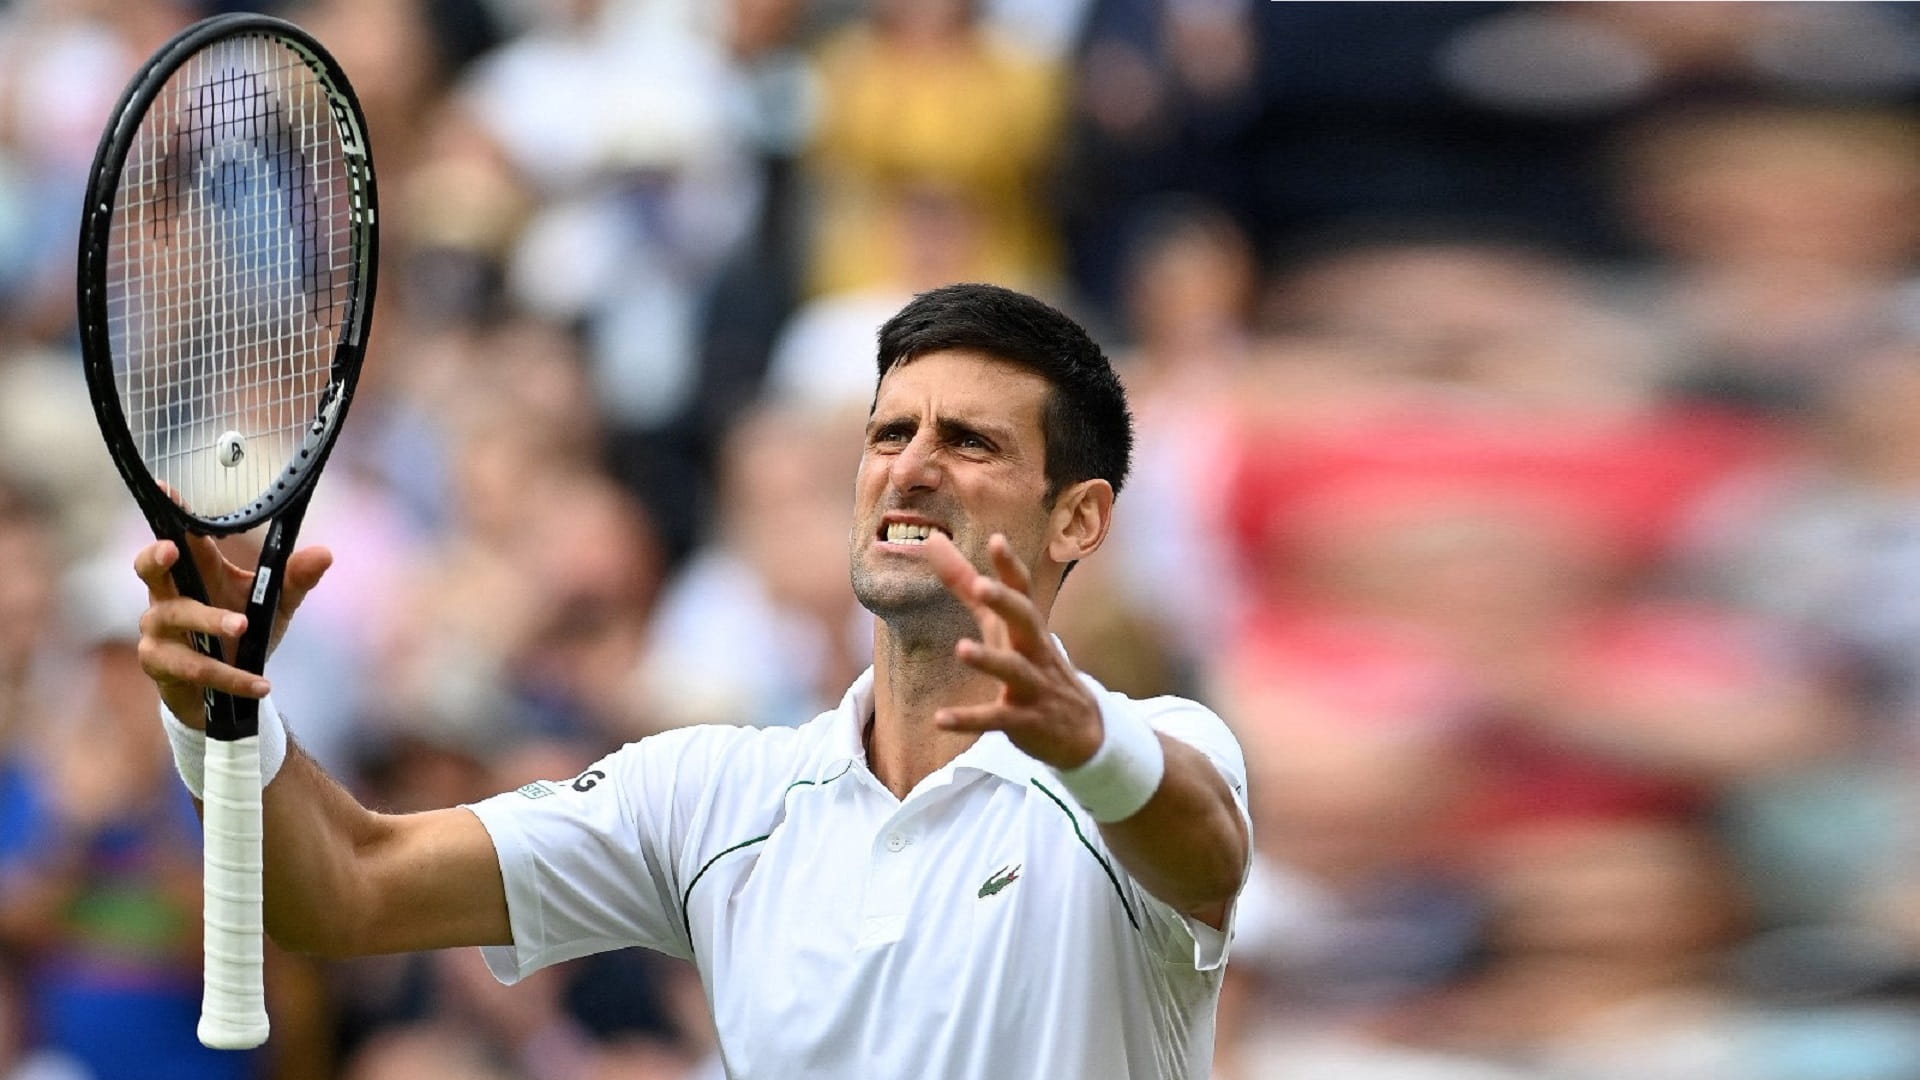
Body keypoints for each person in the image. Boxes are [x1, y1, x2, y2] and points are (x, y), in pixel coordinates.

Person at [131, 283, 1252, 1078]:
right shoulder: (713, 794)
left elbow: (1203, 851)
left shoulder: (1151, 754)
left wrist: (1085, 741)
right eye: (888, 433)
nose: (909, 466)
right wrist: (218, 713)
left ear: (1078, 519)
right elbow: (350, 888)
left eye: (969, 442)